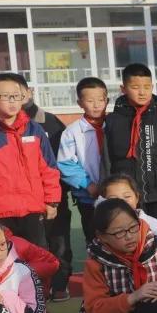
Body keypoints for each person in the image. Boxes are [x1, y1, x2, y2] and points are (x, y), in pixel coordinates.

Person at [102, 63, 157, 233]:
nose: (142, 92)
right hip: (125, 197)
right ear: (123, 88)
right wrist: (104, 195)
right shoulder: (113, 120)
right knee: (130, 240)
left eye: (147, 87)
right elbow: (106, 160)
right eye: (135, 87)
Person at [21, 79, 72, 301]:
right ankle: (31, 290)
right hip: (19, 203)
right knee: (26, 246)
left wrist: (57, 196)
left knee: (58, 243)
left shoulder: (50, 123)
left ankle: (60, 284)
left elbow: (58, 163)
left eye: (19, 93)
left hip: (53, 198)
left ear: (29, 92)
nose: (13, 99)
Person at [0, 73, 61, 248]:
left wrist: (51, 201)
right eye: (5, 96)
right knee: (4, 262)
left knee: (37, 260)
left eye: (16, 96)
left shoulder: (34, 129)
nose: (12, 101)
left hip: (32, 210)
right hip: (1, 213)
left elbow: (49, 168)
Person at [58, 76, 109, 242]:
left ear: (107, 100)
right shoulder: (72, 132)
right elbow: (65, 163)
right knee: (94, 237)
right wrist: (88, 185)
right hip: (88, 197)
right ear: (80, 103)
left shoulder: (115, 125)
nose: (96, 105)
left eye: (101, 100)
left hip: (116, 194)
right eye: (90, 101)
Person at [100, 174, 157, 268]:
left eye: (127, 196)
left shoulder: (154, 226)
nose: (121, 203)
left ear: (137, 197)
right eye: (113, 199)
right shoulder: (102, 227)